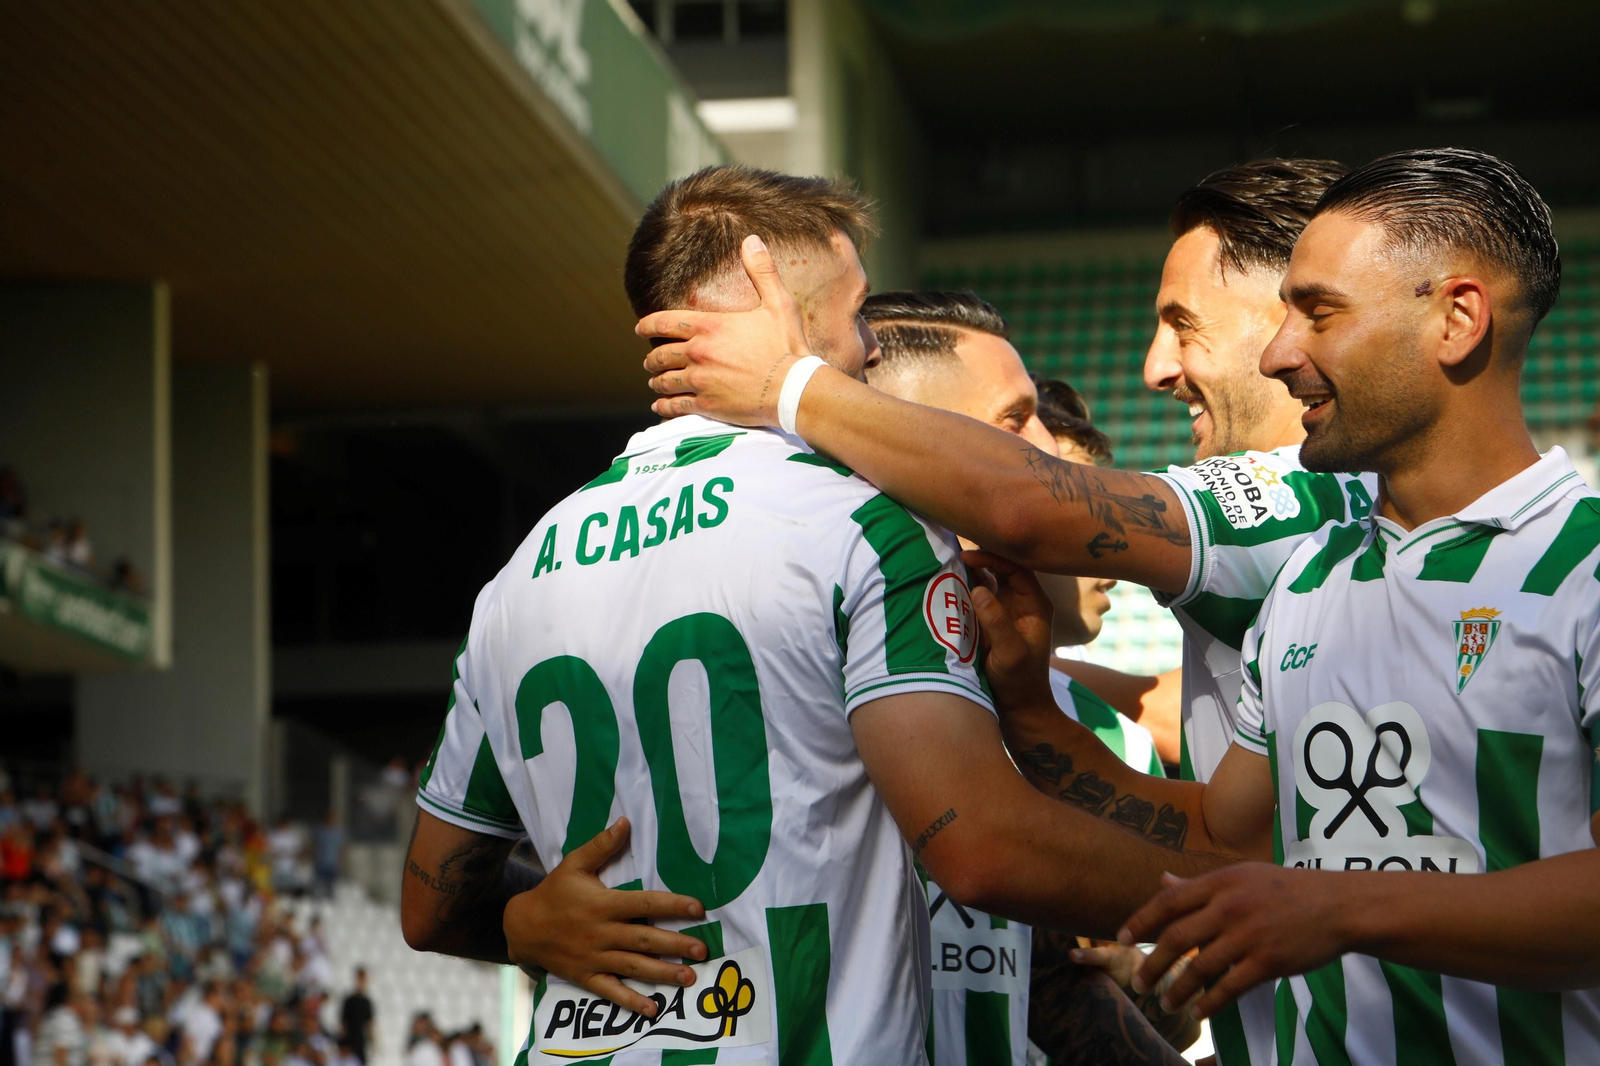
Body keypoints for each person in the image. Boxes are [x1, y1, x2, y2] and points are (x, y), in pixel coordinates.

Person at [405, 164, 1214, 1064]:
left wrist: (522, 919)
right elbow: (979, 848)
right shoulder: (864, 526)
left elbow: (432, 906)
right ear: (772, 301)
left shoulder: (520, 575)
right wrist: (1261, 888)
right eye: (857, 311)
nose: (869, 346)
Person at [637, 157, 1361, 1066]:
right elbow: (1220, 841)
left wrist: (790, 383)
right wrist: (1033, 711)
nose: (1154, 368)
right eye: (1016, 423)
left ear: (1294, 316)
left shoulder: (1323, 497)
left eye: (1182, 324)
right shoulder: (824, 624)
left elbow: (1034, 506)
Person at [975, 148, 1600, 1064]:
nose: (1280, 354)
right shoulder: (1311, 580)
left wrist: (1341, 906)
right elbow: (1220, 839)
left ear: (1458, 319)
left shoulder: (1586, 568)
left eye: (1319, 313)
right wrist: (1033, 712)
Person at [857, 294, 1186, 1066]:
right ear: (908, 438)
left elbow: (1074, 990)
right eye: (1016, 423)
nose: (1047, 453)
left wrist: (1151, 975)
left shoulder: (1088, 725)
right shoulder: (802, 676)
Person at [336, 970, 372, 1066]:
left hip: (361, 1041)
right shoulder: (349, 1000)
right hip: (350, 1040)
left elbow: (369, 1023)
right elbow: (343, 1022)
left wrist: (372, 1041)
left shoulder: (366, 1002)